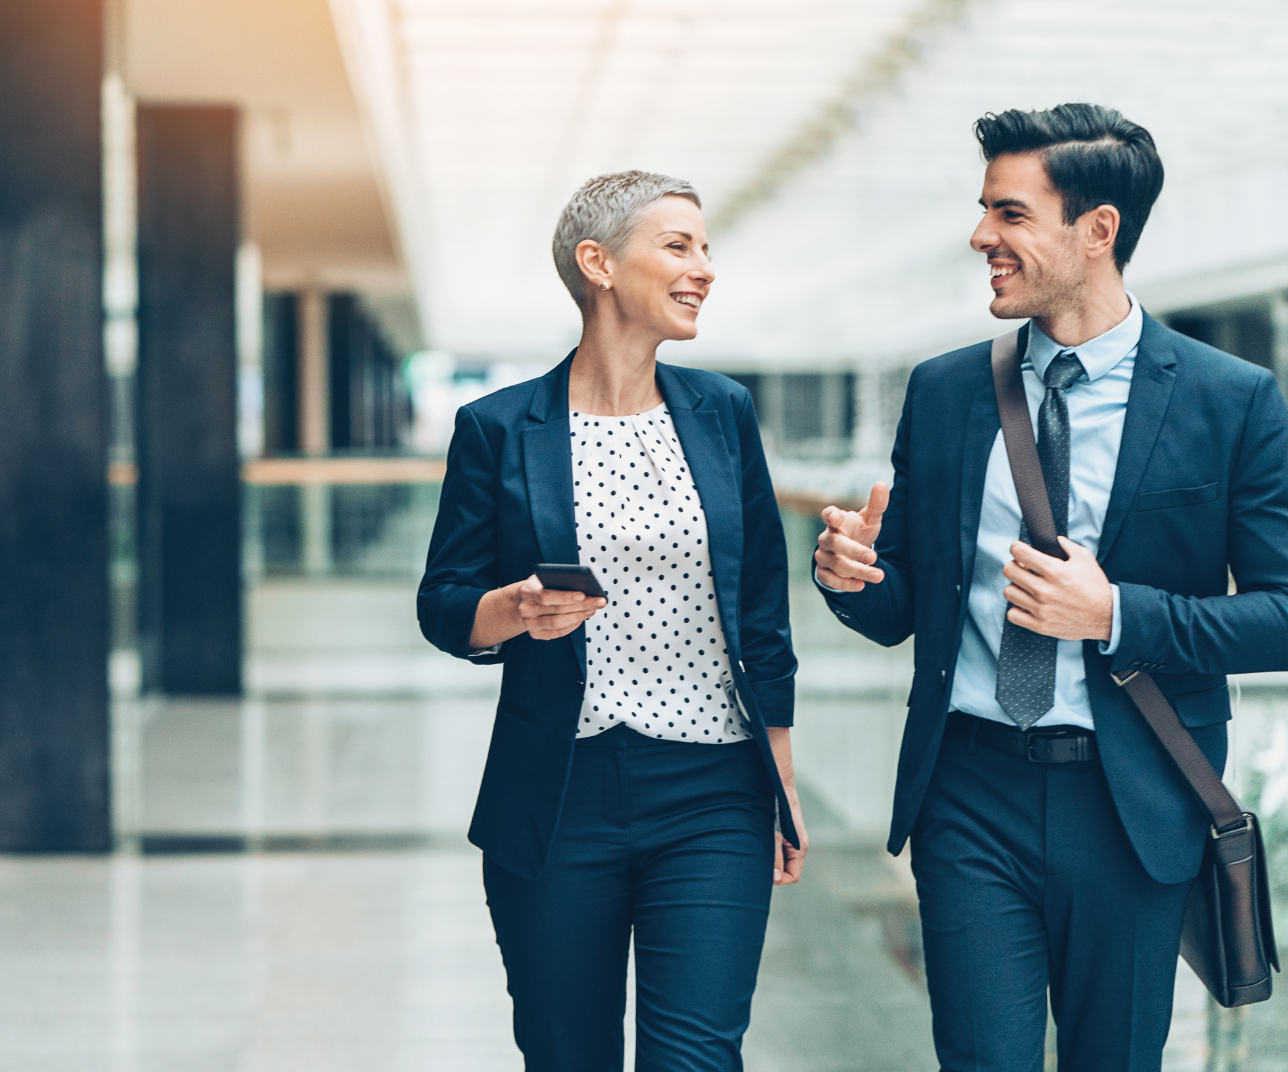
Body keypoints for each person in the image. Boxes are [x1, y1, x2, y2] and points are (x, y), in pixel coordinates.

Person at [814, 104, 1288, 1070]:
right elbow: (902, 603)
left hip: (1134, 804)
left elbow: (1281, 615)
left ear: (1098, 229)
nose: (982, 235)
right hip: (969, 795)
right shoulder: (946, 390)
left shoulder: (1231, 400)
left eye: (1011, 213)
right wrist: (850, 578)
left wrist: (1115, 613)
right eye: (985, 210)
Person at [418, 171, 804, 1070]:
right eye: (678, 246)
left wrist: (779, 780)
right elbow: (444, 604)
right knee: (567, 1053)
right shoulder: (498, 427)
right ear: (597, 264)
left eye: (706, 248)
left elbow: (760, 609)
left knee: (697, 1058)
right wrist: (509, 610)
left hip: (713, 789)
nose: (704, 267)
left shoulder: (723, 413)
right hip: (559, 793)